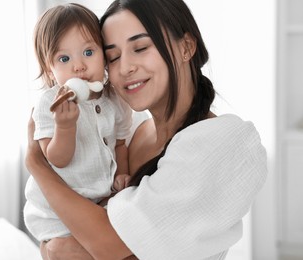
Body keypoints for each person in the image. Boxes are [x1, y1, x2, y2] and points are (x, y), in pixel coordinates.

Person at [25, 0, 268, 259]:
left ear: (186, 47)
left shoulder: (222, 142)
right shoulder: (135, 136)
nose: (126, 67)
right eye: (113, 57)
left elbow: (109, 244)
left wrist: (37, 165)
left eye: (140, 48)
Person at [23, 3, 133, 242]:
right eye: (64, 58)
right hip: (57, 212)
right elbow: (57, 160)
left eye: (88, 52)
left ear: (103, 54)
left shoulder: (114, 98)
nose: (79, 66)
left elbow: (121, 143)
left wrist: (122, 174)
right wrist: (65, 127)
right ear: (50, 70)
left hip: (101, 201)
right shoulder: (50, 104)